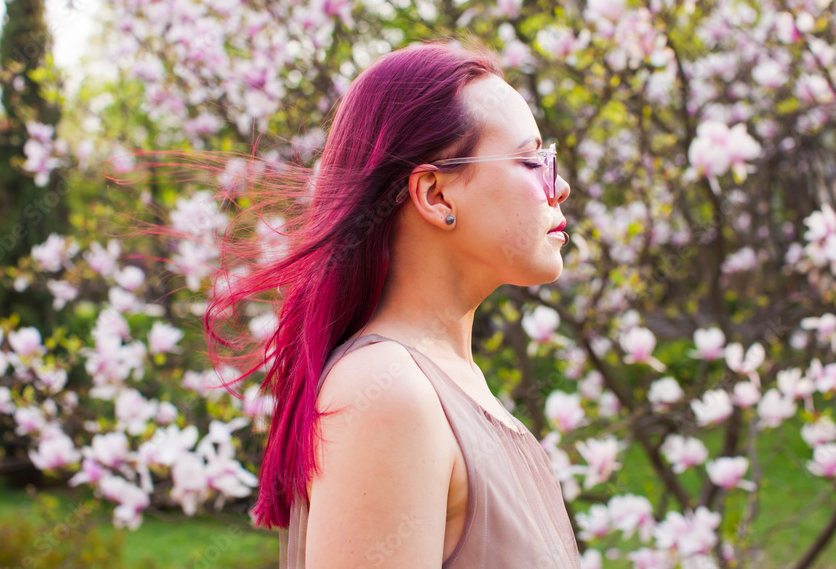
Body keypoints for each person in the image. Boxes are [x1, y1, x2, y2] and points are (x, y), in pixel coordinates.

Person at [206, 40, 578, 568]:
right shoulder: (388, 392)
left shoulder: (452, 387)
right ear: (435, 194)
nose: (558, 186)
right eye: (530, 160)